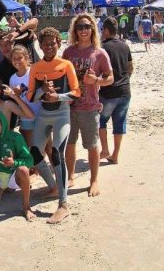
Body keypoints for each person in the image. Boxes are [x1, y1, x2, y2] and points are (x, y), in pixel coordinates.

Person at [27, 27, 81, 224]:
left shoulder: (65, 65)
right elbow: (31, 96)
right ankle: (54, 186)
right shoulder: (36, 68)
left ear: (59, 44)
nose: (49, 47)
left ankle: (63, 204)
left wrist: (57, 95)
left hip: (61, 114)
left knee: (58, 154)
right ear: (40, 46)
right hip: (43, 114)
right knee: (34, 153)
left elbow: (76, 92)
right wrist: (42, 89)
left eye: (53, 43)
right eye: (45, 44)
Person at [63, 14, 114, 197]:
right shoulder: (68, 52)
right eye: (80, 27)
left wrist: (96, 80)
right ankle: (70, 176)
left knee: (92, 145)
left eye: (87, 26)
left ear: (92, 29)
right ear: (75, 30)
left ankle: (94, 180)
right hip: (69, 106)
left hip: (90, 107)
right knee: (69, 144)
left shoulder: (99, 53)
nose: (83, 30)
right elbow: (62, 75)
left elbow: (110, 78)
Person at [98, 17, 134, 164]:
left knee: (101, 121)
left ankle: (105, 149)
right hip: (125, 90)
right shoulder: (125, 46)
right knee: (119, 123)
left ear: (106, 30)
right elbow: (130, 67)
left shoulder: (103, 48)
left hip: (108, 91)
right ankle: (115, 155)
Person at [9, 45, 42, 146]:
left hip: (41, 114)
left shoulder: (34, 72)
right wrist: (17, 95)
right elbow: (15, 99)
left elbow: (42, 91)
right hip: (26, 117)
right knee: (29, 146)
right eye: (14, 58)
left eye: (20, 58)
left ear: (26, 58)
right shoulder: (12, 79)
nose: (17, 61)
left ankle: (55, 162)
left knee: (47, 145)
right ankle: (32, 162)